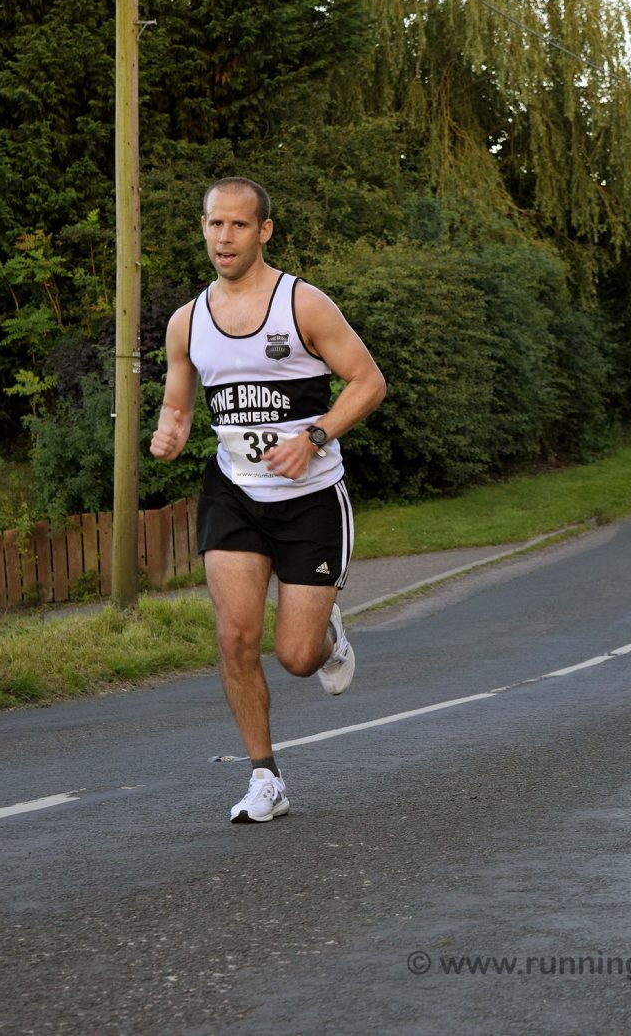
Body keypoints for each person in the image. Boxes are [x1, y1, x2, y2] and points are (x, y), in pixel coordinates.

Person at [149, 177, 386, 824]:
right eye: (213, 224)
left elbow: (368, 382)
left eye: (238, 226)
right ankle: (266, 776)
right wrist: (170, 429)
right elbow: (179, 401)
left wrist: (315, 435)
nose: (223, 238)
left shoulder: (303, 304)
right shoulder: (187, 321)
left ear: (264, 231)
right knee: (234, 637)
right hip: (236, 494)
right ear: (202, 228)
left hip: (310, 498)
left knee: (296, 656)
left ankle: (327, 634)